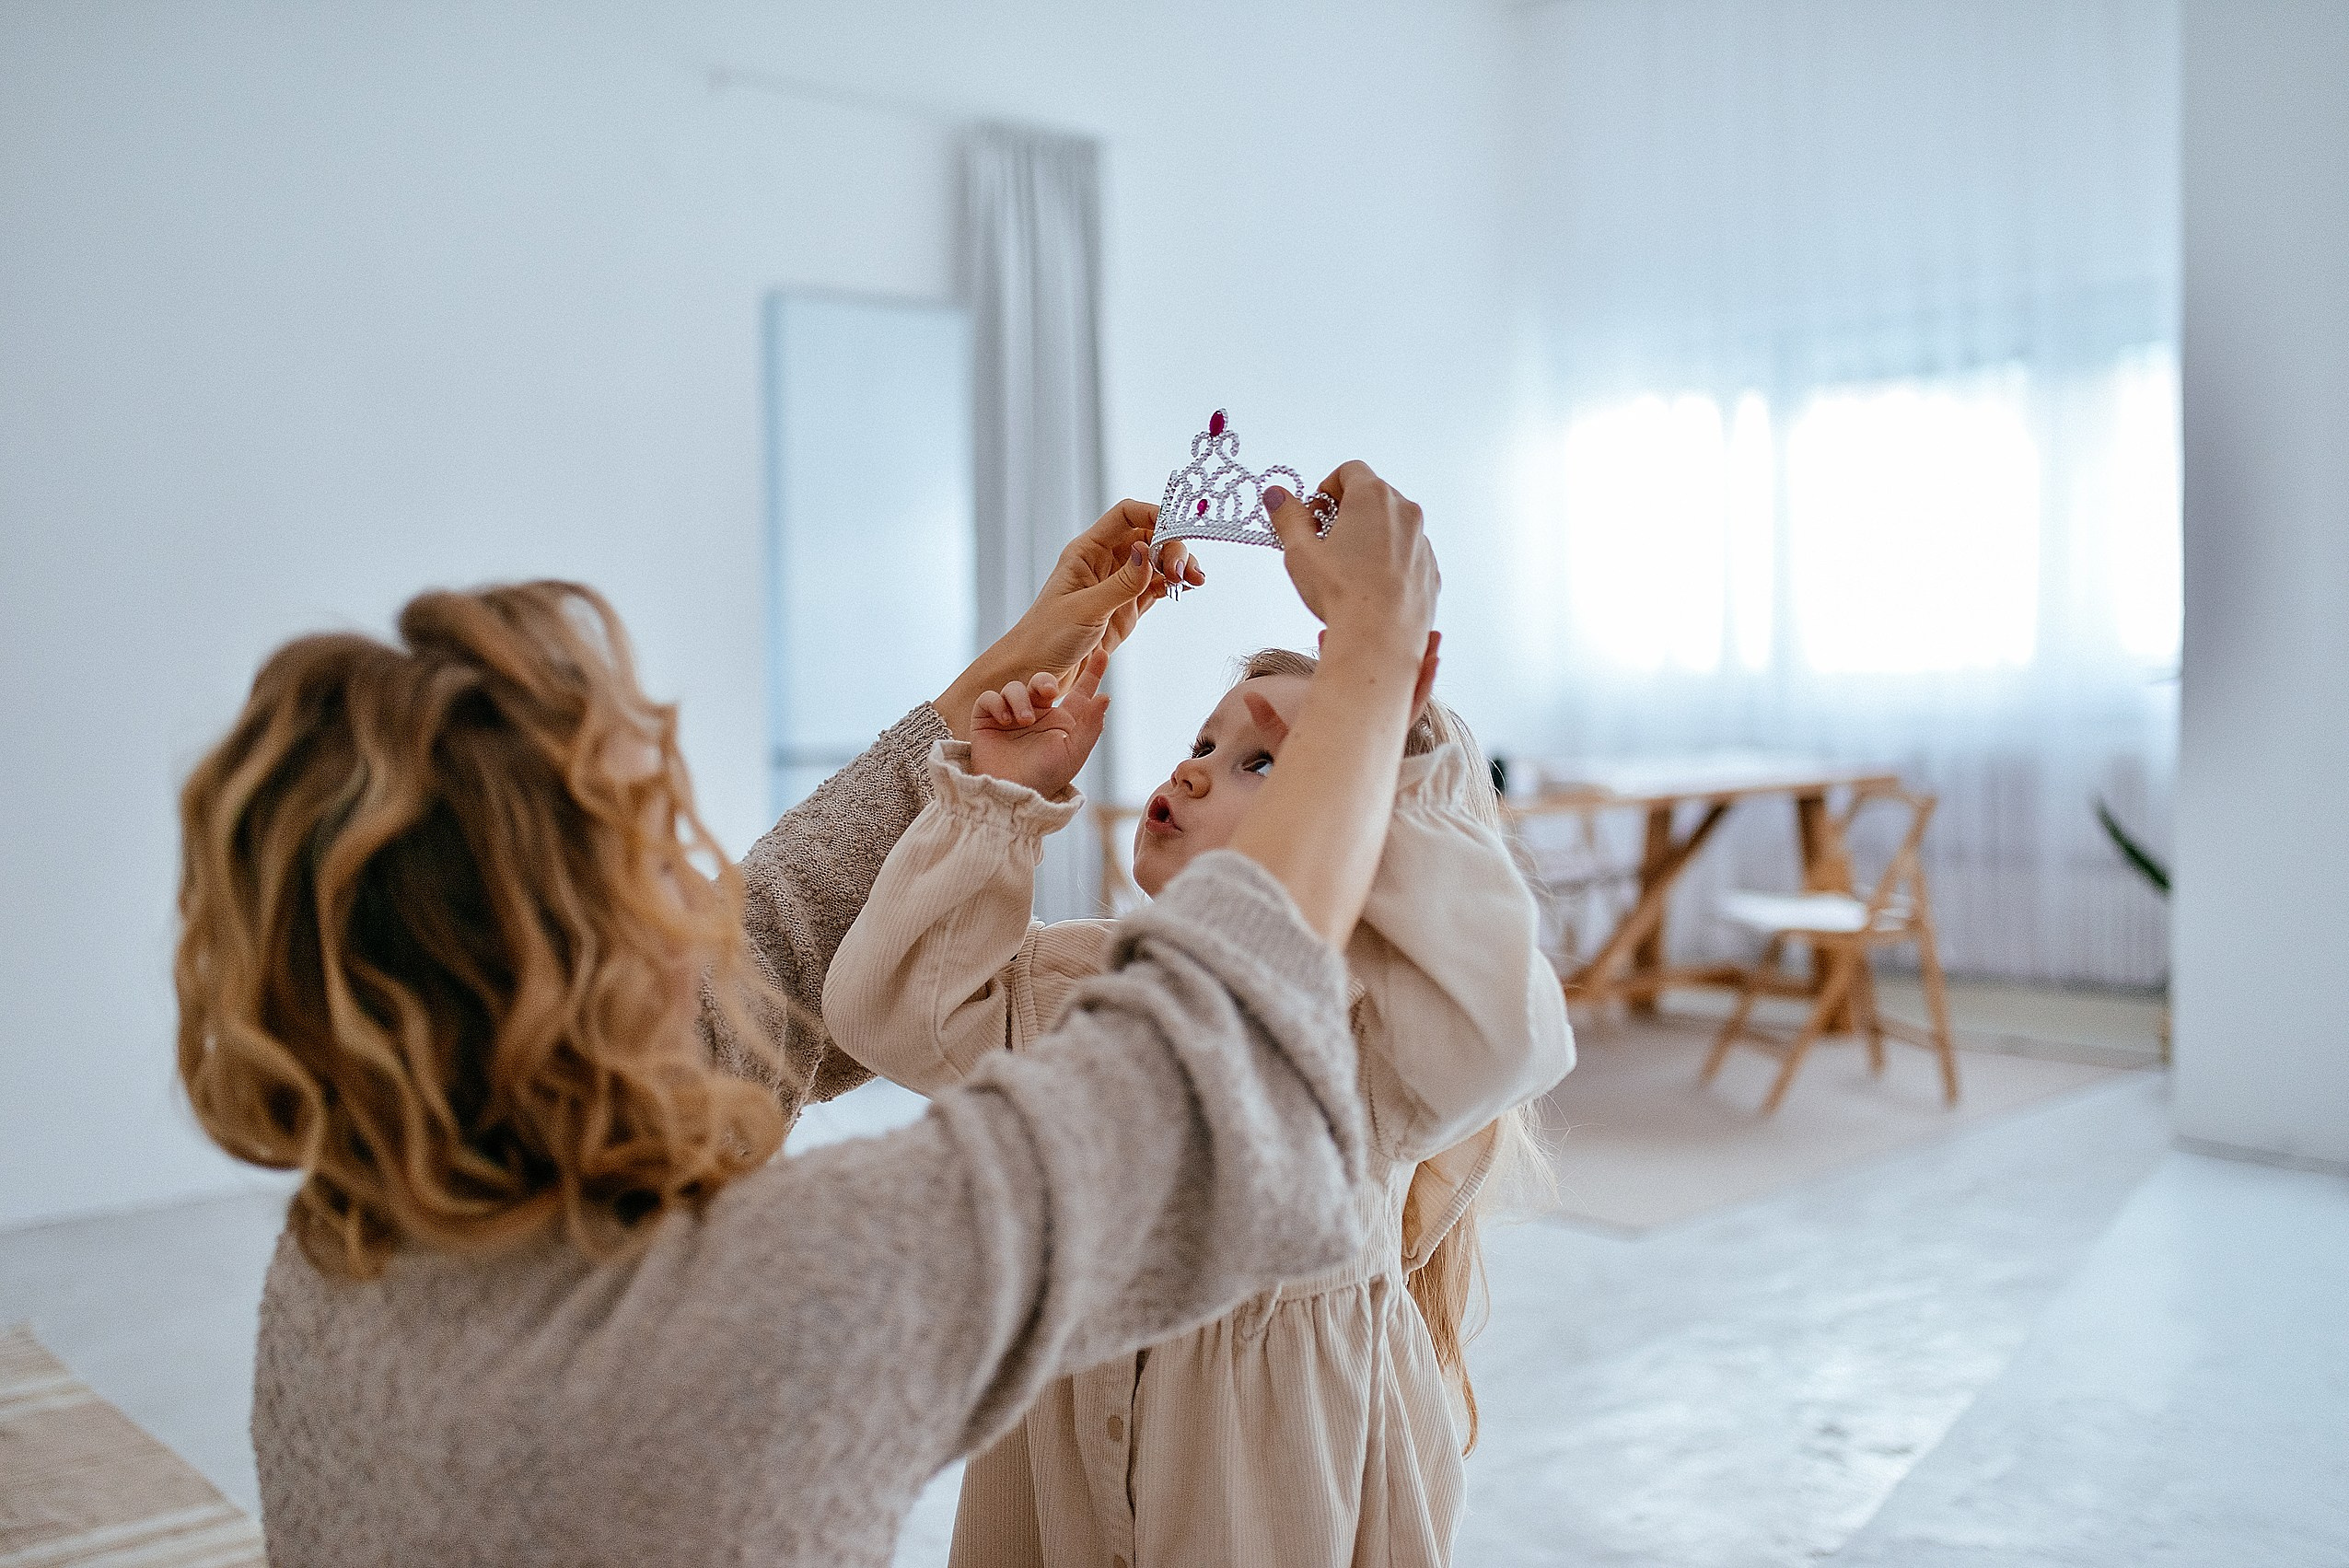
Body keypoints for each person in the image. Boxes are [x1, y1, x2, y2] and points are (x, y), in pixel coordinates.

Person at [169, 470, 1434, 1567]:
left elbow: (763, 951)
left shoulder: (336, 1255)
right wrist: (1371, 656)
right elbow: (1201, 1099)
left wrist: (1003, 674)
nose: (702, 884)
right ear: (570, 966)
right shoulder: (764, 1316)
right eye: (655, 847)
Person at [824, 577, 1572, 1564]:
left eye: (1265, 761)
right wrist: (999, 799)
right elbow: (893, 1007)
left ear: (1367, 836)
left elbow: (1505, 1032)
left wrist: (1398, 750)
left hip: (1265, 1487)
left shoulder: (1366, 1029)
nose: (1200, 770)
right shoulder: (1087, 986)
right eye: (1206, 742)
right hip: (1062, 1481)